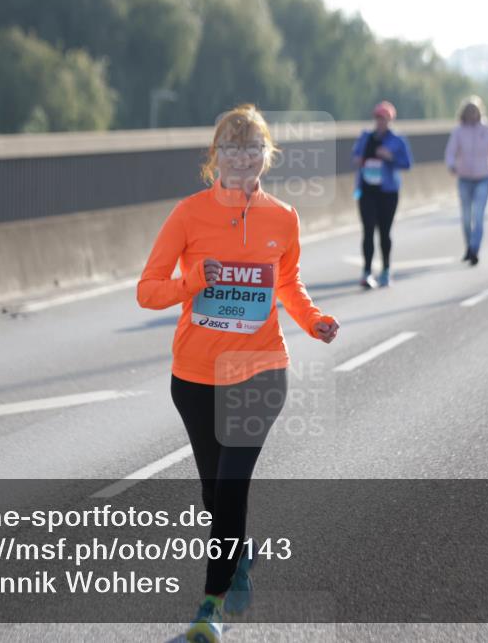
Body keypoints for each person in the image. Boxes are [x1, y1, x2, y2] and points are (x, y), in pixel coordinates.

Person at [137, 104, 339, 643]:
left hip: (261, 370)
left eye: (253, 148)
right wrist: (192, 280)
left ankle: (209, 608)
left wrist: (314, 319)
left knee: (231, 486)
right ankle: (239, 553)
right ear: (215, 158)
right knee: (213, 493)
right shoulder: (188, 214)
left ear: (267, 156)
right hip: (195, 375)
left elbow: (288, 286)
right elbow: (147, 290)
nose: (243, 157)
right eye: (232, 147)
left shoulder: (283, 218)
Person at [351, 101, 413, 288]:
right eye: (378, 117)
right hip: (366, 190)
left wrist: (390, 157)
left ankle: (386, 270)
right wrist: (360, 159)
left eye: (384, 118)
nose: (380, 121)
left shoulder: (397, 140)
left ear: (390, 120)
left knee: (384, 232)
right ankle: (367, 272)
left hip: (388, 192)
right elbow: (355, 156)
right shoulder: (365, 137)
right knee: (368, 230)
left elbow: (407, 164)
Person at [444, 96, 488, 266]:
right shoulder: (458, 131)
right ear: (464, 113)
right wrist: (451, 165)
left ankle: (474, 249)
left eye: (475, 111)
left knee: (478, 215)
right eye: (469, 111)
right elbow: (451, 151)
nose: (472, 114)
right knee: (466, 217)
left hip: (483, 178)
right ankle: (468, 245)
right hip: (464, 178)